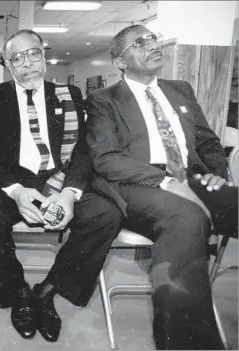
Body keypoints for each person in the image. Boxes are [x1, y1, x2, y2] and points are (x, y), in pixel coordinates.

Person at [85, 24, 237, 350]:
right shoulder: (103, 100)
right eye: (139, 43)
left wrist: (218, 174)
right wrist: (166, 181)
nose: (152, 45)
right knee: (187, 218)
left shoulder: (180, 89)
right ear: (120, 61)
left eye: (152, 38)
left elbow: (209, 141)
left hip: (193, 178)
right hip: (139, 184)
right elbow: (106, 158)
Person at [0, 29, 123, 342]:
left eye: (33, 53)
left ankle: (47, 290)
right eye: (17, 57)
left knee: (106, 214)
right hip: (11, 182)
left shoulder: (70, 95)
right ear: (8, 65)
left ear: (44, 56)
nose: (27, 63)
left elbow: (82, 151)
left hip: (60, 176)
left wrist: (69, 194)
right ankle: (18, 290)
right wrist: (18, 191)